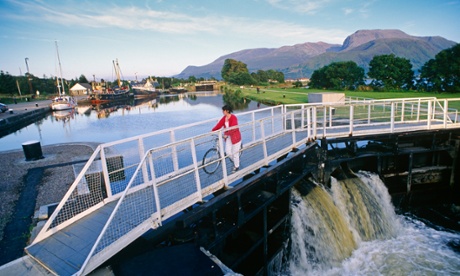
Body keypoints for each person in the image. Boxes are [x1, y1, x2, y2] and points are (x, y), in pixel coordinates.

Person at [212, 105, 242, 172]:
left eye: (223, 110)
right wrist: (212, 131)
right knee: (228, 152)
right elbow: (219, 125)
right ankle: (236, 161)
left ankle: (236, 166)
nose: (222, 112)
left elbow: (234, 128)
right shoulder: (224, 118)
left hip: (235, 137)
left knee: (235, 153)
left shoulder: (233, 118)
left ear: (227, 111)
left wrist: (226, 134)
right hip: (228, 137)